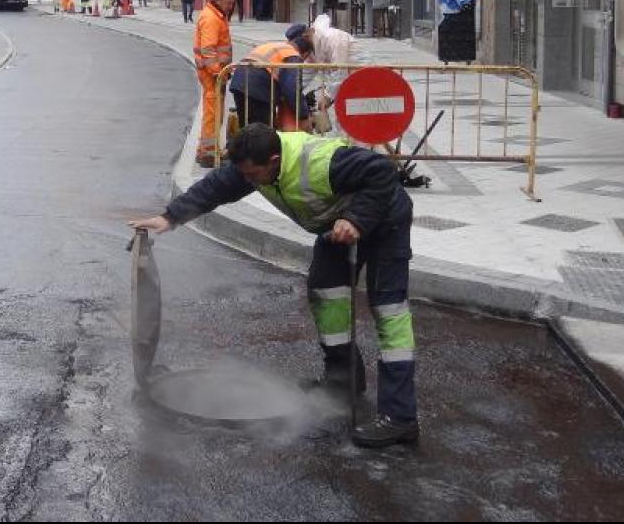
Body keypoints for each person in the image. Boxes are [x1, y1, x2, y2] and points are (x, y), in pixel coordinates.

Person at [130, 123, 420, 449]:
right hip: (335, 227)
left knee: (389, 311)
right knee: (326, 294)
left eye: (254, 175)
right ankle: (344, 381)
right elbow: (216, 187)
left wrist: (356, 220)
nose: (249, 181)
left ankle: (400, 417)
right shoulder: (254, 166)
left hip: (384, 222)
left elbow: (382, 172)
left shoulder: (325, 162)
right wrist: (170, 217)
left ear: (274, 159)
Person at [228, 26, 314, 133]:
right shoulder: (293, 55)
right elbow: (292, 90)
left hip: (239, 82)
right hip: (257, 88)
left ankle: (242, 147)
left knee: (247, 129)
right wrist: (304, 116)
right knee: (263, 133)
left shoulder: (276, 46)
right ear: (305, 53)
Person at [193, 0, 234, 167]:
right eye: (228, 3)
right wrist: (219, 72)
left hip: (215, 74)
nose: (230, 7)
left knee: (214, 112)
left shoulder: (216, 16)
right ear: (218, 0)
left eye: (232, 4)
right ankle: (207, 154)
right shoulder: (211, 18)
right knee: (212, 113)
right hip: (213, 75)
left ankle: (209, 150)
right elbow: (208, 51)